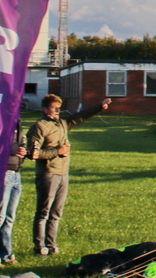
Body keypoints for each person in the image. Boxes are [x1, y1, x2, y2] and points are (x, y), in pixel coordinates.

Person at [27, 94, 110, 257]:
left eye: (59, 108)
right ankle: (39, 247)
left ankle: (51, 245)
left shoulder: (62, 124)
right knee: (43, 212)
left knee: (56, 213)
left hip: (63, 173)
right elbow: (32, 153)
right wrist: (57, 152)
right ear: (45, 109)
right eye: (54, 108)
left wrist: (100, 106)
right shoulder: (39, 127)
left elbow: (80, 116)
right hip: (48, 174)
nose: (58, 111)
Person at [0, 122, 27, 266]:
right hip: (3, 172)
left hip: (16, 172)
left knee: (9, 217)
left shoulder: (18, 122)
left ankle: (6, 254)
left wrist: (25, 150)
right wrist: (15, 149)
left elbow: (20, 143)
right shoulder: (1, 120)